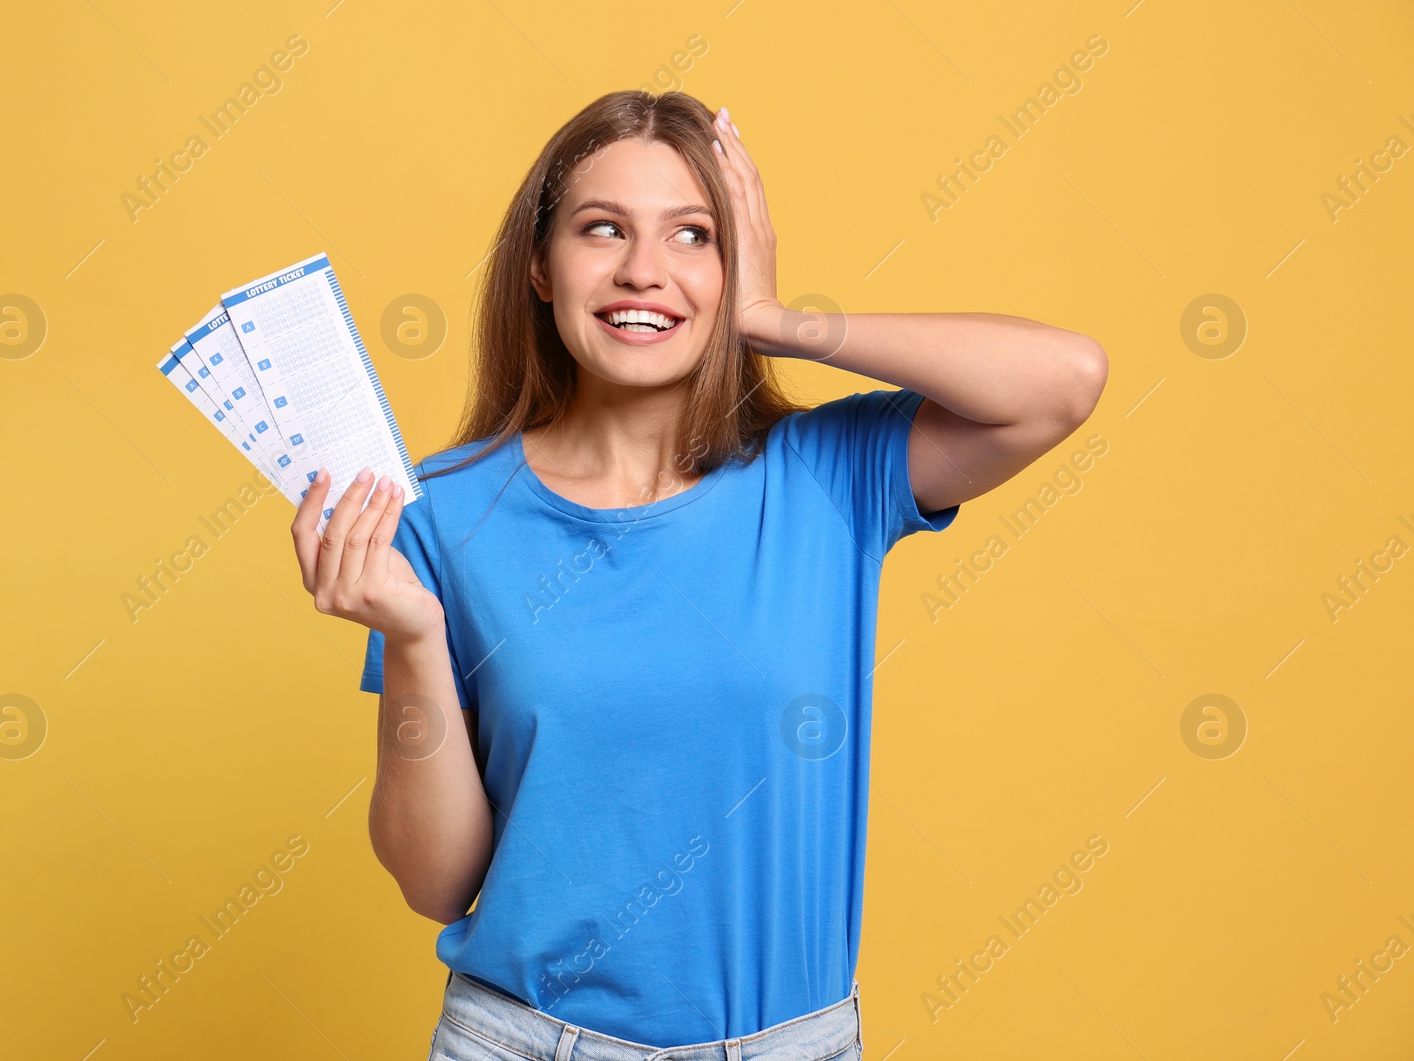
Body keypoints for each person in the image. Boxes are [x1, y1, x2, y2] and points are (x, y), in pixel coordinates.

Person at [288, 90, 1107, 1060]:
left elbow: (1065, 380)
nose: (645, 271)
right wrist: (417, 638)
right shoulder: (443, 511)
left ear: (733, 267)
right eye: (603, 230)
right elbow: (434, 881)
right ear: (542, 267)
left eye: (693, 235)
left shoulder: (824, 475)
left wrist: (782, 322)